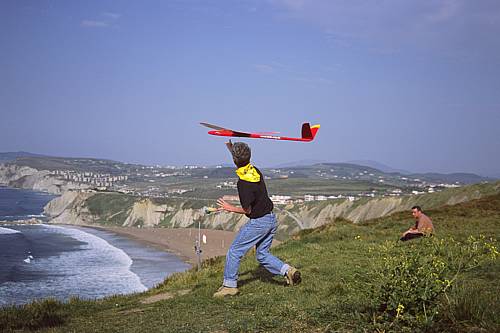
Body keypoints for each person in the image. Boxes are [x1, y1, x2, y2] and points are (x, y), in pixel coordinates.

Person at [213, 140, 301, 297]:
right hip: (271, 219)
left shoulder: (243, 183)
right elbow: (241, 159)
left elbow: (247, 209)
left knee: (234, 251)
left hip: (259, 222)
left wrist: (229, 208)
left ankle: (229, 286)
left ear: (234, 160)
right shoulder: (254, 171)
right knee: (262, 254)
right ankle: (288, 271)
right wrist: (230, 146)